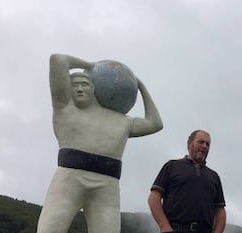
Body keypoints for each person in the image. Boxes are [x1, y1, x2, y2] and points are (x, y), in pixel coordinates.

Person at [37, 54, 163, 233]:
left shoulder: (122, 122)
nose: (79, 89)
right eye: (74, 85)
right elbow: (57, 60)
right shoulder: (65, 107)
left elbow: (155, 123)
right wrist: (91, 66)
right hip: (69, 176)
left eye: (85, 84)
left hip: (107, 185)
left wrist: (140, 86)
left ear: (94, 88)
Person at [148, 130, 226, 233]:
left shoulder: (214, 176)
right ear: (189, 143)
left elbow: (220, 211)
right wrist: (164, 227)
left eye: (207, 144)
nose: (205, 146)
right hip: (175, 228)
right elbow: (154, 197)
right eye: (201, 142)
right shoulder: (172, 166)